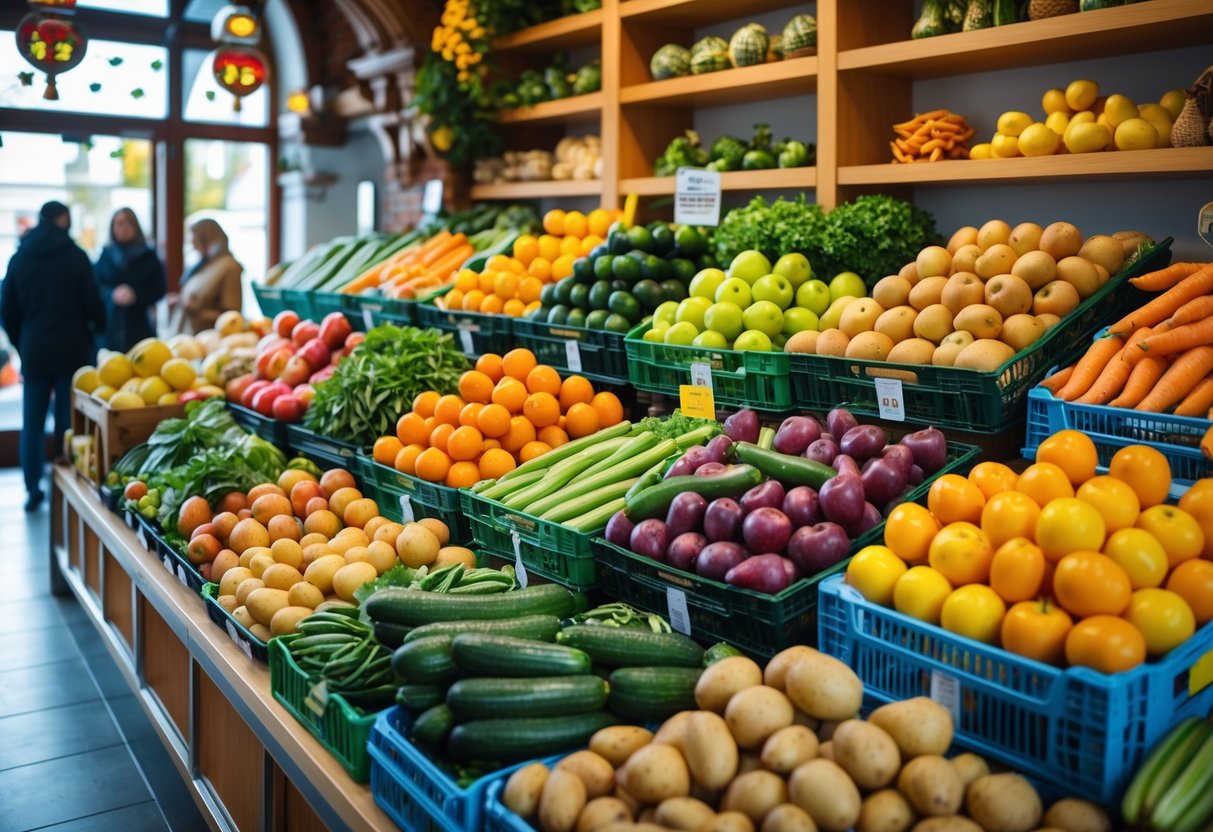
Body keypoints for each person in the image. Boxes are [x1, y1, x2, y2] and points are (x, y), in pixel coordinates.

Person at [1, 201, 106, 511]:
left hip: (34, 347)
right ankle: (65, 486)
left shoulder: (20, 257)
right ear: (63, 220)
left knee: (31, 422)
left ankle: (32, 488)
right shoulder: (75, 256)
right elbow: (93, 304)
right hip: (71, 348)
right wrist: (97, 329)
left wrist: (22, 341)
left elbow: (6, 308)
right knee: (66, 420)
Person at [94, 208, 166, 352]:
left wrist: (136, 295)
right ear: (113, 227)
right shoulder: (105, 255)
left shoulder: (148, 255)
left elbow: (160, 288)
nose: (124, 228)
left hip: (140, 326)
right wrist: (112, 294)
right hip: (110, 327)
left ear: (136, 226)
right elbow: (96, 287)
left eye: (129, 223)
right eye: (119, 224)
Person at [173, 219, 243, 334]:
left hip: (208, 339)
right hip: (189, 336)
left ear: (208, 238)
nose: (193, 246)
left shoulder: (229, 267)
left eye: (195, 240)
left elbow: (232, 316)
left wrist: (196, 310)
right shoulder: (206, 264)